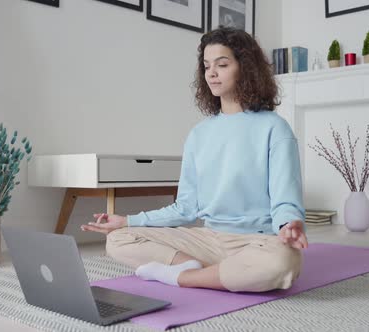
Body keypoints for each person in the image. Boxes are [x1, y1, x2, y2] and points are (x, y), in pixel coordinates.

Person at [81, 27, 308, 293]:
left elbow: (285, 200)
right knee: (118, 240)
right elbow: (185, 208)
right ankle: (208, 270)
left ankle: (180, 277)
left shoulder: (275, 128)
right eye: (206, 66)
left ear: (245, 68)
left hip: (257, 241)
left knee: (283, 263)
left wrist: (289, 224)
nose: (211, 73)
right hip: (208, 239)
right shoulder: (199, 134)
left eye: (222, 64)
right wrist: (127, 221)